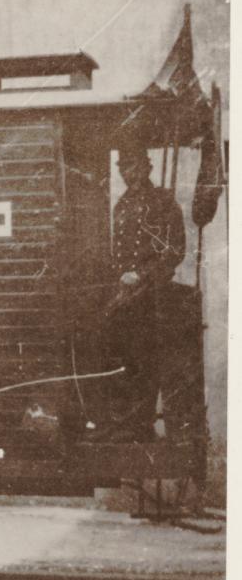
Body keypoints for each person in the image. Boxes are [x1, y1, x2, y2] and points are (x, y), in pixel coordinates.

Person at [108, 146, 186, 440]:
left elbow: (175, 249)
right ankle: (125, 423)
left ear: (147, 167)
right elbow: (117, 252)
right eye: (123, 168)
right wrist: (121, 279)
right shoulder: (122, 205)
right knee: (121, 355)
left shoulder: (163, 201)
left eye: (133, 166)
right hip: (126, 293)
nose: (128, 173)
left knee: (145, 358)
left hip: (154, 294)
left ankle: (140, 425)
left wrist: (141, 275)